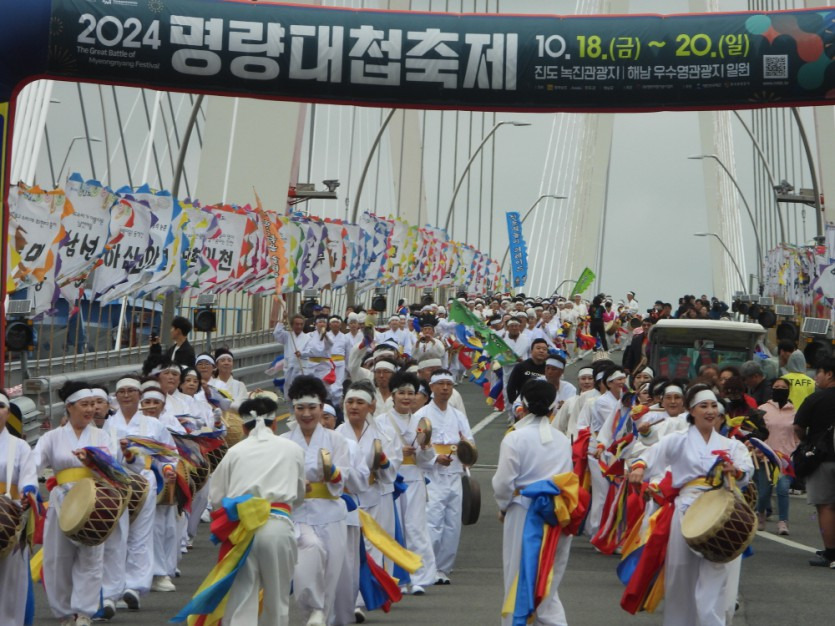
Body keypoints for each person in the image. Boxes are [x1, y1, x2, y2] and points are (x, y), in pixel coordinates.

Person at [627, 385, 753, 626]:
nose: (710, 410)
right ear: (691, 411)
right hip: (686, 511)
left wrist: (734, 471)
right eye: (703, 406)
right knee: (680, 577)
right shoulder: (678, 440)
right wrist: (638, 468)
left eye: (713, 406)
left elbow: (746, 470)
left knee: (715, 578)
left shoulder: (731, 445)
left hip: (720, 513)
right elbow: (648, 457)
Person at [199, 397, 305, 625]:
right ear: (275, 423)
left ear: (244, 427)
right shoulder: (292, 449)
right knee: (277, 600)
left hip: (243, 529)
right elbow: (299, 494)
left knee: (241, 599)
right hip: (278, 525)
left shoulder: (235, 452)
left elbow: (217, 498)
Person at [33, 382, 123, 626]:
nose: (90, 409)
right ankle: (64, 612)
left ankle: (84, 611)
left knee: (91, 557)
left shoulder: (102, 436)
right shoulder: (51, 437)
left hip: (93, 501)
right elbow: (33, 465)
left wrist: (94, 459)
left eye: (93, 404)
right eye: (84, 405)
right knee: (56, 558)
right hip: (62, 500)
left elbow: (114, 468)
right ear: (69, 407)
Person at [493, 380, 578, 626]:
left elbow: (503, 484)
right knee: (549, 579)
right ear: (554, 406)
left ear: (523, 405)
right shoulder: (561, 439)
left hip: (523, 509)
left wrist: (503, 506)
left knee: (518, 575)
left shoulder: (515, 438)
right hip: (556, 511)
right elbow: (568, 478)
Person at [281, 375, 350, 625]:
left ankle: (322, 614)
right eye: (300, 408)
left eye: (312, 407)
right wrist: (295, 485)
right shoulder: (284, 443)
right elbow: (276, 480)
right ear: (294, 409)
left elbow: (348, 474)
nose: (306, 414)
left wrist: (334, 474)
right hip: (298, 514)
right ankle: (314, 610)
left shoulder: (336, 440)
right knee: (308, 556)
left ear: (322, 408)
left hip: (331, 511)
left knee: (331, 571)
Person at [378, 371, 437, 594]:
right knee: (394, 528)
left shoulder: (421, 423)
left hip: (414, 478)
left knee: (415, 527)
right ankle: (397, 578)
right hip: (390, 481)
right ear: (392, 396)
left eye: (410, 393)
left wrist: (425, 447)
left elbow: (428, 461)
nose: (406, 397)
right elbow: (376, 453)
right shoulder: (380, 422)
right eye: (401, 392)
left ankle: (420, 577)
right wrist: (396, 452)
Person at [414, 369, 475, 585]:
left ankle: (443, 567)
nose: (445, 388)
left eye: (449, 384)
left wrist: (465, 454)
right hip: (432, 476)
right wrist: (433, 459)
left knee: (452, 523)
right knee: (433, 522)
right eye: (440, 384)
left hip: (454, 473)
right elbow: (416, 447)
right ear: (431, 388)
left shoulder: (458, 416)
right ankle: (426, 568)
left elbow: (469, 442)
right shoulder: (420, 416)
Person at [793, 357, 835, 568]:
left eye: (818, 372)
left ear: (829, 374)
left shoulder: (816, 399)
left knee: (826, 506)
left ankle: (830, 554)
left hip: (823, 459)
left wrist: (808, 442)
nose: (816, 377)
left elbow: (798, 427)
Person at [0, 390, 37, 625]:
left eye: (1, 407)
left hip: (9, 517)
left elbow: (29, 477)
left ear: (8, 411)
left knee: (10, 580)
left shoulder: (20, 446)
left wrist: (28, 493)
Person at [756, 378, 798, 535]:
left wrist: (794, 450)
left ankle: (783, 522)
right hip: (765, 456)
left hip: (786, 458)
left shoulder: (795, 412)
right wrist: (758, 448)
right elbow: (756, 431)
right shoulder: (763, 409)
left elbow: (798, 433)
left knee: (783, 489)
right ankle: (760, 512)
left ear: (788, 390)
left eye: (783, 387)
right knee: (764, 492)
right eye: (776, 387)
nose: (779, 389)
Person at [505, 338, 549, 405]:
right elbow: (511, 387)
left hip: (543, 406)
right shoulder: (521, 367)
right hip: (524, 406)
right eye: (538, 348)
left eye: (544, 349)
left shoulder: (549, 368)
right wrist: (515, 404)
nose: (541, 351)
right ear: (531, 351)